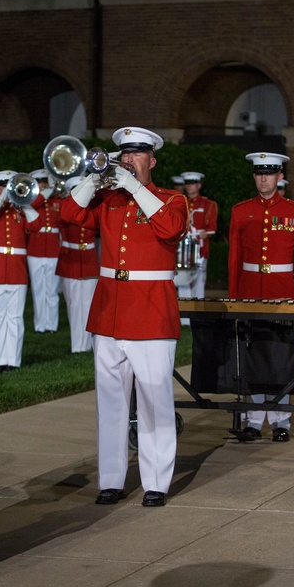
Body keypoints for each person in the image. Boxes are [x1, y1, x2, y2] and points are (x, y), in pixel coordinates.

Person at [60, 126, 189, 508]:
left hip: (149, 311)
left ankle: (156, 483)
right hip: (110, 311)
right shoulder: (107, 200)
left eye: (136, 154)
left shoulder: (171, 199)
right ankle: (112, 480)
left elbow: (171, 227)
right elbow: (69, 214)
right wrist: (94, 178)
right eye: (124, 154)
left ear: (152, 159)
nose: (129, 160)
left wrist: (133, 188)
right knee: (111, 401)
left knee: (154, 400)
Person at [228, 152, 294, 442]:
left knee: (281, 355)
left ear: (279, 176)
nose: (263, 178)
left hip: (282, 291)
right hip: (250, 288)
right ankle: (253, 420)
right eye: (258, 173)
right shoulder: (241, 211)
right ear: (254, 176)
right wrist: (234, 298)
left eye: (269, 173)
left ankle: (281, 421)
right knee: (252, 354)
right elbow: (234, 258)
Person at [0, 170, 40, 371]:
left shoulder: (20, 211)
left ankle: (13, 360)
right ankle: (0, 360)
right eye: (2, 186)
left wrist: (23, 201)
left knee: (15, 317)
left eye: (9, 186)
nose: (5, 189)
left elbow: (37, 224)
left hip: (16, 272)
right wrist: (3, 198)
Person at [56, 175, 98, 353]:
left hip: (88, 258)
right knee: (74, 304)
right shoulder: (66, 208)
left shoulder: (93, 209)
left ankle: (88, 345)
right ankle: (77, 346)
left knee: (89, 305)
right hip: (70, 259)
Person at [25, 168, 62, 333]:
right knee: (38, 289)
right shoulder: (31, 200)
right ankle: (40, 325)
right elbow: (32, 204)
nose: (42, 186)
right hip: (36, 249)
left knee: (52, 290)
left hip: (53, 249)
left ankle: (51, 325)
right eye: (39, 183)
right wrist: (46, 192)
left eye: (44, 183)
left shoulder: (56, 201)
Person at [177, 171, 217, 311]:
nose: (189, 187)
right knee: (182, 281)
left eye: (192, 183)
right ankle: (185, 318)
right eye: (187, 184)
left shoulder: (208, 204)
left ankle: (198, 312)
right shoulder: (179, 203)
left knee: (199, 281)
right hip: (182, 249)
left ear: (199, 185)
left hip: (199, 250)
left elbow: (211, 229)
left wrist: (197, 234)